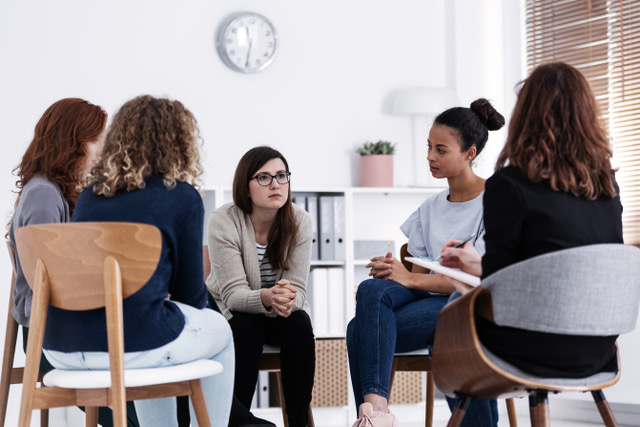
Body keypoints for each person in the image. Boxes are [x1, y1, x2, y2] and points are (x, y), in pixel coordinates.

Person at [40, 95, 235, 427]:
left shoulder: (89, 196)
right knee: (219, 330)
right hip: (128, 346)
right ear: (180, 142)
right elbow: (191, 297)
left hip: (61, 348)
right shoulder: (183, 197)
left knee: (154, 328)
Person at [440, 62, 622, 381]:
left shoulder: (509, 185)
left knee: (450, 321)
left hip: (532, 349)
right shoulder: (606, 185)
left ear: (525, 116)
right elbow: (558, 270)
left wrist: (461, 284)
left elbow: (500, 296)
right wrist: (479, 267)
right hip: (598, 351)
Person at [347, 99, 505, 427]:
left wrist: (409, 279)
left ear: (470, 153)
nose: (431, 157)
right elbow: (416, 277)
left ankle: (374, 418)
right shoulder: (429, 208)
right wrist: (395, 274)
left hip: (470, 308)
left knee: (358, 331)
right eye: (429, 147)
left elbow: (476, 280)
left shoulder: (496, 201)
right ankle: (377, 412)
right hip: (430, 307)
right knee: (371, 290)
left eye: (442, 150)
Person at [7, 98, 141, 426]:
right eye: (97, 140)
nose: (103, 150)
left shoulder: (62, 192)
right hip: (51, 335)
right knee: (142, 384)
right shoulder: (44, 195)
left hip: (65, 328)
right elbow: (52, 282)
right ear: (72, 144)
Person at [207, 146, 315, 427]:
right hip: (233, 313)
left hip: (278, 310)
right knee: (246, 327)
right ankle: (238, 421)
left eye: (281, 175)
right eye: (264, 178)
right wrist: (267, 297)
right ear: (245, 187)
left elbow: (299, 290)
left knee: (300, 324)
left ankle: (298, 420)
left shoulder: (300, 221)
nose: (276, 184)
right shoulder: (224, 220)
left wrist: (289, 300)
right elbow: (232, 295)